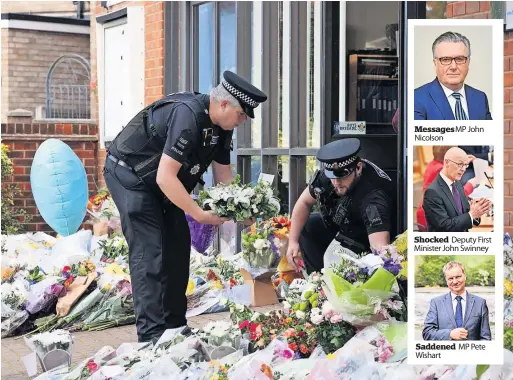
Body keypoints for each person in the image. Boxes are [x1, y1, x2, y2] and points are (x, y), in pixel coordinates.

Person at [103, 71, 267, 343]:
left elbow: (224, 177)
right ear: (224, 104)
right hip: (131, 177)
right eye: (241, 114)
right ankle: (152, 335)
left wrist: (244, 215)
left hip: (162, 184)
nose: (243, 121)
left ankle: (175, 327)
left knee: (178, 248)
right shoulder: (188, 117)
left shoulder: (221, 128)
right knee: (151, 250)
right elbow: (164, 176)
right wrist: (199, 214)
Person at [286, 138, 396, 274]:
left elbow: (380, 248)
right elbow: (304, 202)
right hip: (342, 226)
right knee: (309, 225)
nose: (336, 182)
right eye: (332, 177)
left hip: (364, 238)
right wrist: (293, 242)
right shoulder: (332, 176)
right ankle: (316, 281)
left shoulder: (373, 197)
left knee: (345, 268)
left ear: (358, 168)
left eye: (343, 176)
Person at [414, 31, 492, 120]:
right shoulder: (416, 99)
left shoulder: (480, 98)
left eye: (460, 59)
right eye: (446, 59)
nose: (453, 67)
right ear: (435, 63)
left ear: (468, 62)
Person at [422, 147, 492, 232]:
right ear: (447, 162)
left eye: (465, 165)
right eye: (459, 164)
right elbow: (445, 226)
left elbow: (464, 213)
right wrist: (472, 214)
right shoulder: (432, 192)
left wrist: (477, 209)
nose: (463, 169)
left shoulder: (457, 183)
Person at [422, 261, 491, 341]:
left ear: (465, 276)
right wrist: (450, 334)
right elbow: (427, 333)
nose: (454, 282)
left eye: (458, 277)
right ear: (446, 280)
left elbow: (486, 339)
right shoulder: (436, 303)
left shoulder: (480, 303)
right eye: (450, 278)